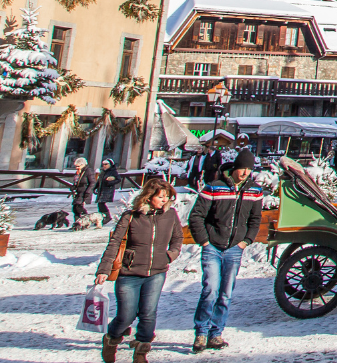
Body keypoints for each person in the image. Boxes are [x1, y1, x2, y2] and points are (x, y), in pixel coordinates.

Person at [95, 176, 182, 363]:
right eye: (161, 196)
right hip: (129, 273)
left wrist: (171, 255)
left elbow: (178, 238)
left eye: (167, 196)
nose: (165, 200)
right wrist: (104, 269)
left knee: (148, 313)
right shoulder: (131, 216)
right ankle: (111, 339)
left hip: (156, 273)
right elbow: (115, 243)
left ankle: (141, 351)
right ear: (149, 197)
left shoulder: (170, 215)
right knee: (126, 315)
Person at [188, 149, 264, 353]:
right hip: (213, 245)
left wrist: (246, 241)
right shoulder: (214, 187)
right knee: (210, 290)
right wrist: (204, 241)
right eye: (243, 168)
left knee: (225, 294)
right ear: (235, 167)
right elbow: (196, 216)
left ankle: (216, 332)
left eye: (249, 169)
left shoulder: (254, 191)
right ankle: (201, 332)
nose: (246, 172)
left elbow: (255, 219)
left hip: (234, 248)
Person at [71, 157, 97, 226]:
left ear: (83, 165)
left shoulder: (88, 171)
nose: (76, 168)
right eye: (76, 166)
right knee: (75, 208)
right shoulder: (79, 172)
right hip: (78, 192)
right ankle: (77, 224)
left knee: (79, 208)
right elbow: (77, 182)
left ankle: (86, 221)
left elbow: (92, 182)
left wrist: (88, 192)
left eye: (78, 166)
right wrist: (74, 186)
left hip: (84, 192)